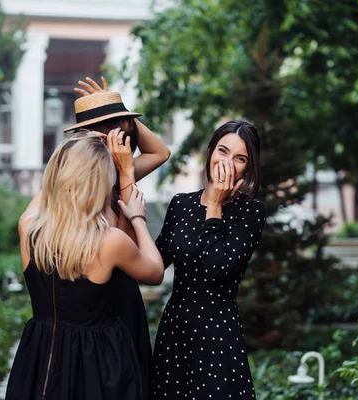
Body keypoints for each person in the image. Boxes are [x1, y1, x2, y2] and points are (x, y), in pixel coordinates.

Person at [26, 76, 170, 397]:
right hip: (90, 294)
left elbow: (160, 152)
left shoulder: (120, 174)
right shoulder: (76, 184)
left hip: (121, 287)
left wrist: (121, 113)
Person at [151, 120, 267, 399]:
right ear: (210, 152)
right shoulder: (181, 204)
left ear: (248, 168)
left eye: (239, 158)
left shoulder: (250, 213)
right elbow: (155, 264)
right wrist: (132, 216)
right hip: (176, 330)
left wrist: (214, 205)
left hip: (218, 333)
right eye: (223, 151)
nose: (227, 163)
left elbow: (217, 269)